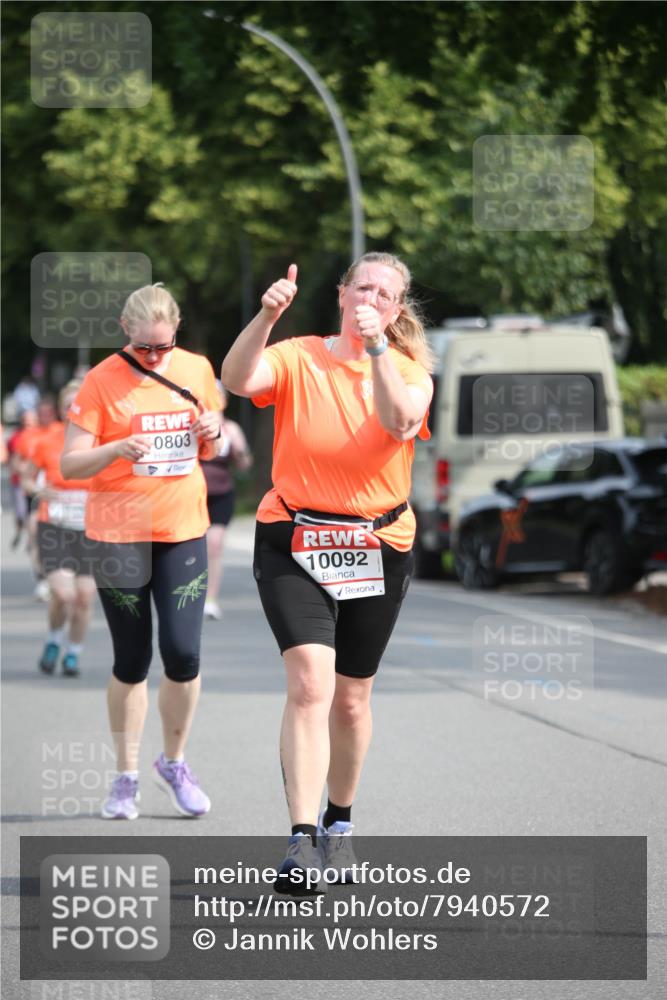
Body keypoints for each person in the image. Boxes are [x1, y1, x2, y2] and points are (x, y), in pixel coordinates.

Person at [221, 252, 434, 892]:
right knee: (311, 685)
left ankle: (339, 820)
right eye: (361, 286)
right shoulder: (297, 354)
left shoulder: (407, 369)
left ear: (396, 310)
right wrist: (265, 316)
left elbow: (399, 422)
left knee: (351, 697)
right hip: (294, 534)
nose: (371, 298)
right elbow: (237, 379)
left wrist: (374, 353)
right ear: (341, 294)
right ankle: (300, 837)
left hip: (378, 541)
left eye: (385, 293)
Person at [61, 283, 225, 820]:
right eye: (145, 348)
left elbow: (214, 442)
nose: (155, 356)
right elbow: (71, 465)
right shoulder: (101, 381)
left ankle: (173, 762)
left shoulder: (198, 369)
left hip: (181, 529)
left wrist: (213, 430)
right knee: (132, 661)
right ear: (125, 329)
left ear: (175, 331)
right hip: (118, 534)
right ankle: (125, 776)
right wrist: (116, 447)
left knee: (183, 655)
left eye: (164, 346)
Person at [24, 381, 96, 677]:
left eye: (78, 403)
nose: (73, 409)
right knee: (64, 595)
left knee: (84, 597)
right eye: (69, 404)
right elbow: (27, 479)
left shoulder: (99, 441)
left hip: (90, 530)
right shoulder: (47, 440)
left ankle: (73, 653)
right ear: (64, 409)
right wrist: (40, 492)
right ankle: (54, 640)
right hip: (54, 526)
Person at [201, 383, 253, 620]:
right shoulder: (195, 424)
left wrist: (240, 452)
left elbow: (244, 465)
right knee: (191, 547)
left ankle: (210, 600)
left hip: (221, 492)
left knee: (215, 544)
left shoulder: (231, 428)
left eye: (219, 395)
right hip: (193, 495)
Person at [15, 396, 57, 600]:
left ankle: (61, 575)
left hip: (62, 496)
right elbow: (17, 462)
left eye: (48, 412)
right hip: (36, 494)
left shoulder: (61, 431)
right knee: (35, 533)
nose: (45, 416)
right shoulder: (29, 436)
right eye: (42, 413)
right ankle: (42, 578)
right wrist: (25, 469)